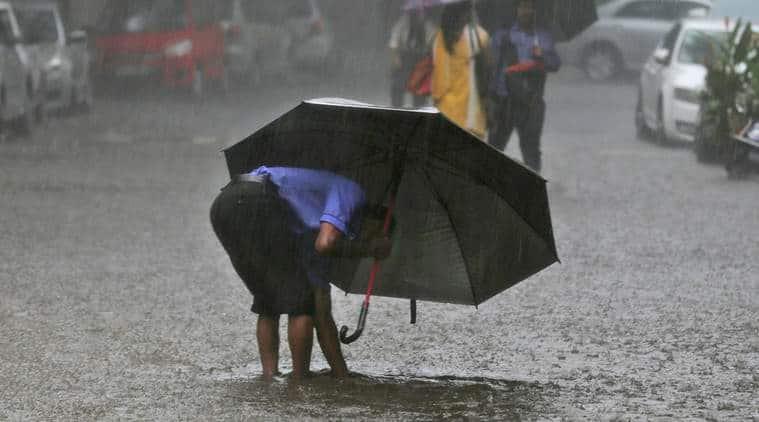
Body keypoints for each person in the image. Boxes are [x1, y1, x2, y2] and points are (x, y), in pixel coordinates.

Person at [210, 167, 392, 379]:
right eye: (374, 235)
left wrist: (341, 374)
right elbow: (326, 244)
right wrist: (369, 248)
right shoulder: (351, 192)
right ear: (371, 220)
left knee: (268, 300)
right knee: (302, 303)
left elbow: (323, 313)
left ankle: (269, 376)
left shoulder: (311, 228)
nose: (368, 241)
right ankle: (300, 379)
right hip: (256, 199)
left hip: (225, 206)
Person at [489, 0, 560, 173]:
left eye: (530, 7)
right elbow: (491, 68)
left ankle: (532, 191)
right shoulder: (502, 36)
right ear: (516, 9)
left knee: (531, 152)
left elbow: (555, 64)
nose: (526, 11)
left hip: (531, 102)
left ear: (535, 11)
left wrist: (543, 56)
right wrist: (490, 99)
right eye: (522, 7)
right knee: (493, 150)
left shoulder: (542, 36)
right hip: (504, 102)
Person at [431, 2, 490, 139]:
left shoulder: (437, 38)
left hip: (445, 112)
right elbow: (488, 67)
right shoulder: (477, 36)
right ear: (465, 13)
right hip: (470, 115)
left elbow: (436, 77)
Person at [388, 8, 437, 108]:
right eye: (415, 12)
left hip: (421, 58)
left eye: (420, 12)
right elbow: (393, 42)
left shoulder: (428, 25)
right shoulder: (403, 22)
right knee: (398, 86)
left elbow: (434, 44)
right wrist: (395, 57)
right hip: (405, 57)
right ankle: (396, 109)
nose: (417, 15)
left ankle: (419, 109)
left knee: (419, 89)